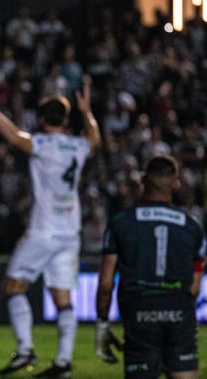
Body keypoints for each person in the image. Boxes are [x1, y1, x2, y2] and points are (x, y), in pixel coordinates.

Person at [0, 76, 101, 377]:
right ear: (67, 119)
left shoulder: (41, 143)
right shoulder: (78, 146)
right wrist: (87, 111)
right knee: (62, 298)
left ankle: (25, 350)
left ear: (41, 119)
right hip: (70, 232)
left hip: (43, 230)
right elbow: (95, 140)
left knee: (13, 287)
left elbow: (14, 136)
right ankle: (63, 363)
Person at [95, 155, 206, 379]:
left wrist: (102, 324)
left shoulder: (121, 223)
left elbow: (106, 284)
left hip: (140, 313)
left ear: (143, 180)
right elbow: (194, 288)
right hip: (179, 312)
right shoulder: (192, 227)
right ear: (175, 185)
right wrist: (180, 314)